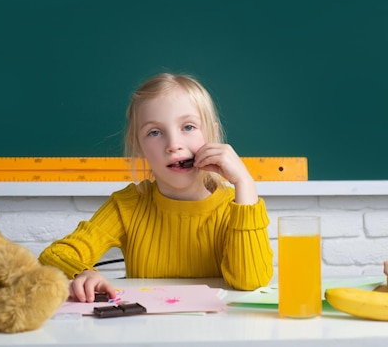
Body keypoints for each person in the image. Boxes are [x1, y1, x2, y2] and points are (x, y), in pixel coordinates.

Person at [39, 73, 273, 302]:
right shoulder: (128, 205)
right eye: (155, 132)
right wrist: (83, 273)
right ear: (138, 146)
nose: (173, 145)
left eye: (188, 127)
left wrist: (245, 183)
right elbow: (55, 255)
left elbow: (250, 281)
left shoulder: (233, 207)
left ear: (210, 133)